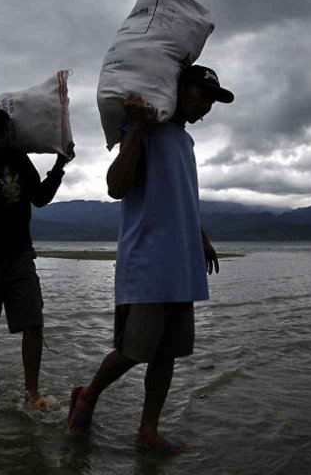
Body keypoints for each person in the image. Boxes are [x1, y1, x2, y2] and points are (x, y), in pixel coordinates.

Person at [67, 64, 233, 452]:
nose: (206, 107)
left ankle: (148, 432)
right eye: (201, 95)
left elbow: (183, 199)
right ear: (177, 89)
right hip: (146, 261)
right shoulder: (144, 127)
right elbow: (115, 186)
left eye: (212, 100)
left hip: (182, 263)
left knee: (168, 352)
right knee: (134, 349)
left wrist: (202, 238)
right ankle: (88, 396)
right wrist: (137, 129)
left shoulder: (185, 141)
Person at [0, 105, 74, 407]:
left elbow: (41, 198)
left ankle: (32, 393)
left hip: (20, 255)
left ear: (6, 134)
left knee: (33, 322)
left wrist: (59, 165)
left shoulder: (19, 159)